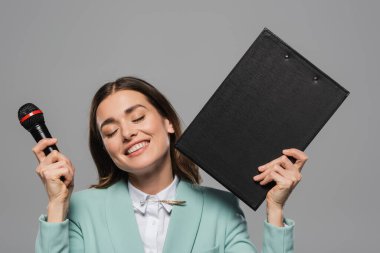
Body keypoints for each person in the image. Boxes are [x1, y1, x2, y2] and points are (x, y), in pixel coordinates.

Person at [34, 76, 308, 253]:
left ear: (168, 122)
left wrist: (275, 209)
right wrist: (57, 204)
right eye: (110, 131)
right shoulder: (82, 209)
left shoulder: (221, 209)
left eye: (138, 117)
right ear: (106, 148)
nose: (127, 133)